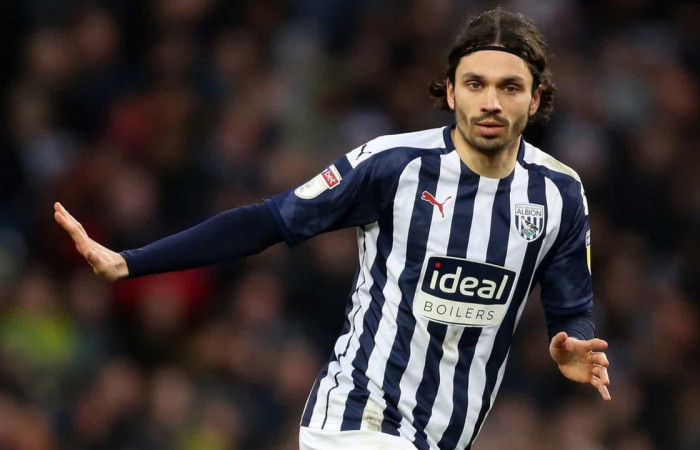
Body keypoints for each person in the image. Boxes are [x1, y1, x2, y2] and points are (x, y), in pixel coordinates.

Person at [55, 8, 610, 450]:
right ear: (449, 92)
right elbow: (268, 221)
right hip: (356, 420)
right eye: (475, 83)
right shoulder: (393, 166)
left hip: (444, 436)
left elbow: (569, 308)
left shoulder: (559, 194)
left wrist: (572, 343)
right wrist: (131, 261)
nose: (490, 102)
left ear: (536, 98)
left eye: (510, 87)